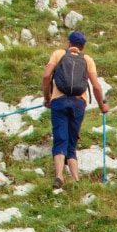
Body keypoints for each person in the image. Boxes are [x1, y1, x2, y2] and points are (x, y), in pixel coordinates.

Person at [41, 31, 107, 191]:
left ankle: (59, 176)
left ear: (69, 43)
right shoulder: (87, 60)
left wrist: (47, 98)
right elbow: (96, 86)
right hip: (78, 103)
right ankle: (75, 179)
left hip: (59, 101)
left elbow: (46, 76)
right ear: (83, 47)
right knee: (72, 140)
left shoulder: (58, 54)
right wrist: (102, 105)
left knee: (60, 137)